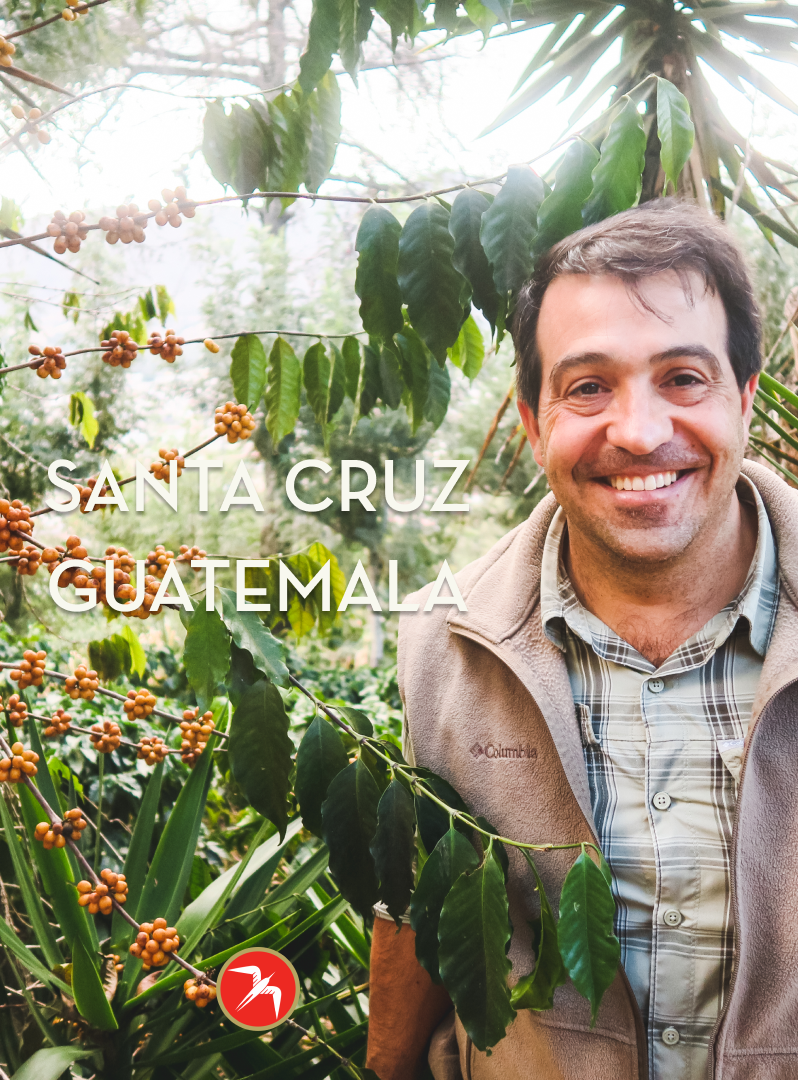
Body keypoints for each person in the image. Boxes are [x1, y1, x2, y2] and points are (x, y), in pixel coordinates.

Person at [366, 200, 798, 1080]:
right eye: (588, 387)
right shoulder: (444, 645)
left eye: (684, 377)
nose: (639, 432)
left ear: (744, 399)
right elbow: (423, 904)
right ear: (534, 424)